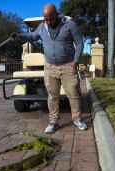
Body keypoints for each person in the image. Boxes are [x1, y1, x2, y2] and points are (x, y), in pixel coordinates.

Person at [11, 3, 87, 134]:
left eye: (50, 18)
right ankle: (53, 122)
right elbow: (32, 37)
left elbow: (79, 42)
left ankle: (77, 119)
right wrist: (19, 36)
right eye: (45, 19)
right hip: (50, 67)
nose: (48, 22)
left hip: (68, 66)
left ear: (57, 14)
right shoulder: (42, 26)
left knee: (73, 95)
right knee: (52, 96)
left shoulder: (69, 24)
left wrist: (75, 61)